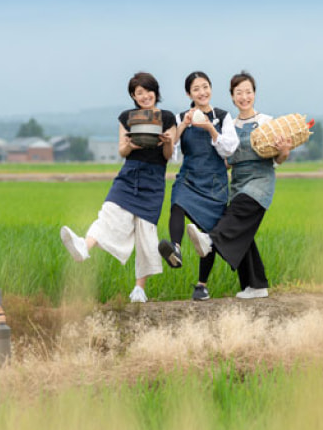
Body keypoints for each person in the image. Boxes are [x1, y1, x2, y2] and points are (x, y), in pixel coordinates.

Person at [59, 71, 184, 303]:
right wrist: (131, 145)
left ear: (155, 92)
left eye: (148, 91)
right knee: (110, 213)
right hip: (130, 173)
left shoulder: (167, 118)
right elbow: (122, 151)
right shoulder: (126, 117)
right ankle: (83, 247)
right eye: (139, 93)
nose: (145, 96)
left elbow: (168, 156)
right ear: (133, 97)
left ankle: (139, 289)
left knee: (146, 232)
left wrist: (168, 142)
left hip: (154, 178)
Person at [184, 71, 293, 299]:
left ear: (254, 94)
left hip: (260, 183)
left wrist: (284, 151)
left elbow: (278, 159)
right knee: (243, 234)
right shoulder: (229, 125)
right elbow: (226, 160)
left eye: (248, 92)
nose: (245, 97)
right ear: (232, 97)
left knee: (238, 213)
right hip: (239, 183)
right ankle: (256, 285)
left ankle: (210, 240)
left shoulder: (267, 122)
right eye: (239, 93)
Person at [158, 71, 239, 301]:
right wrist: (183, 126)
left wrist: (210, 129)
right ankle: (175, 248)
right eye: (196, 89)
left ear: (211, 88)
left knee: (207, 235)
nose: (202, 92)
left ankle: (201, 285)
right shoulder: (180, 117)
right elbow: (172, 153)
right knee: (177, 204)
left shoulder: (222, 116)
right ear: (189, 94)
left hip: (214, 182)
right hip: (189, 176)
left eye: (205, 87)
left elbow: (229, 149)